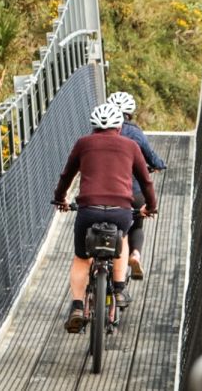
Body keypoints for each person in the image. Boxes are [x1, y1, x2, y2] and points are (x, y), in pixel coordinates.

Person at [53, 103, 158, 333]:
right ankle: (119, 288)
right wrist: (150, 207)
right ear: (119, 126)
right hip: (120, 210)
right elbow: (146, 181)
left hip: (88, 209)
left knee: (82, 258)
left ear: (93, 127)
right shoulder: (131, 146)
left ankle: (78, 307)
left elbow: (67, 175)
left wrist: (60, 198)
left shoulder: (83, 144)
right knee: (121, 240)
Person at [106, 91, 167, 280]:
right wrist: (158, 165)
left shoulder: (97, 132)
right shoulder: (135, 133)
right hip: (132, 192)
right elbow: (152, 158)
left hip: (102, 191)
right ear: (129, 114)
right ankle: (135, 255)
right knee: (136, 225)